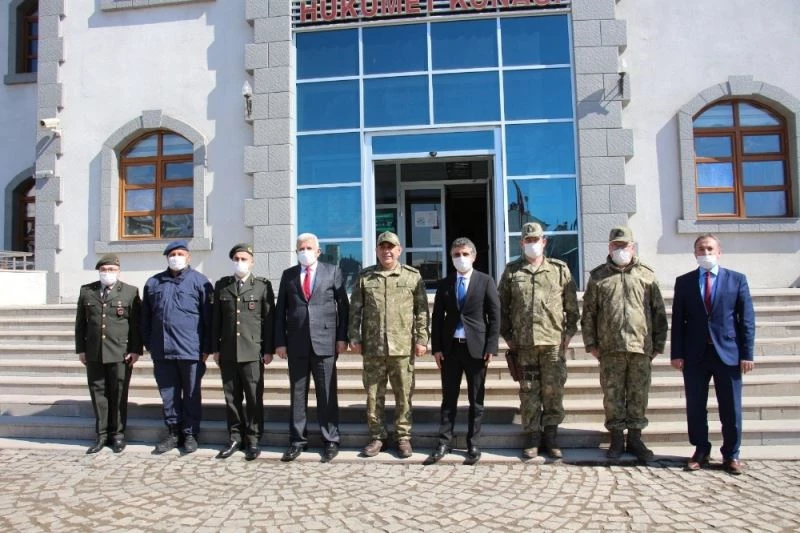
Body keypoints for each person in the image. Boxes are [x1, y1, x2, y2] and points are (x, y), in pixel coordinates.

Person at [671, 234, 755, 475]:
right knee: (696, 405)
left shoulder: (736, 280)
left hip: (727, 353)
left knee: (730, 407)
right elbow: (678, 321)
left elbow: (746, 319)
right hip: (694, 354)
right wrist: (677, 353)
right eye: (700, 249)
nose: (705, 253)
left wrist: (747, 353)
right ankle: (700, 450)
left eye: (709, 248)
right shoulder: (684, 282)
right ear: (694, 253)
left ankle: (731, 454)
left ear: (719, 252)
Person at [581, 226, 668, 461]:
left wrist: (658, 344)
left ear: (632, 247)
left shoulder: (646, 275)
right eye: (616, 245)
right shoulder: (598, 276)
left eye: (624, 245)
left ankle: (636, 438)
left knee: (639, 394)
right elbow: (588, 313)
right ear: (609, 247)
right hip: (610, 348)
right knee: (613, 395)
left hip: (640, 347)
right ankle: (617, 438)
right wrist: (591, 344)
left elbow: (658, 312)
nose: (620, 249)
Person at [497, 222, 579, 461]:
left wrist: (568, 335)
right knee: (529, 392)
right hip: (524, 345)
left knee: (553, 391)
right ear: (521, 243)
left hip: (552, 344)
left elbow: (572, 308)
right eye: (528, 240)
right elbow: (502, 308)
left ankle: (551, 436)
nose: (532, 244)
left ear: (544, 242)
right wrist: (509, 338)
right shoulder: (512, 271)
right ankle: (532, 436)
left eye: (536, 240)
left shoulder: (559, 270)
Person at [349, 231, 429, 458]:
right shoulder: (365, 277)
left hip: (402, 347)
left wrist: (422, 339)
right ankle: (377, 437)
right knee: (374, 395)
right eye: (382, 247)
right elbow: (355, 310)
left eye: (391, 247)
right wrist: (354, 337)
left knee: (403, 394)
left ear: (399, 250)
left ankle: (403, 437)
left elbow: (421, 311)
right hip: (374, 348)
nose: (387, 251)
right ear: (376, 250)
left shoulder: (412, 277)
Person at [424, 237, 500, 466]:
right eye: (456, 255)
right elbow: (437, 318)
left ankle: (473, 443)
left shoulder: (485, 281)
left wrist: (491, 347)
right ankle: (444, 442)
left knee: (476, 399)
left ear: (474, 257)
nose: (461, 258)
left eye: (465, 254)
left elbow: (495, 316)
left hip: (475, 349)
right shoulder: (445, 284)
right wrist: (436, 348)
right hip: (450, 349)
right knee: (449, 399)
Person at [274, 233, 349, 463]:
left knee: (327, 394)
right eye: (300, 248)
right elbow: (280, 311)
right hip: (296, 343)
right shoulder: (288, 275)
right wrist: (280, 341)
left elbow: (343, 307)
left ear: (317, 251)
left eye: (308, 248)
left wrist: (342, 337)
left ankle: (331, 440)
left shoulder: (332, 271)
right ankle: (297, 441)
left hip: (325, 342)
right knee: (298, 394)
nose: (304, 251)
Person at [141, 240, 213, 454]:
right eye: (172, 254)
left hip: (191, 350)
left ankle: (190, 434)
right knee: (168, 394)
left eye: (181, 253)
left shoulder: (200, 282)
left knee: (191, 393)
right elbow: (145, 318)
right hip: (162, 350)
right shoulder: (154, 283)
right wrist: (150, 344)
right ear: (167, 257)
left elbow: (209, 319)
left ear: (189, 257)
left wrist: (207, 348)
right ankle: (173, 432)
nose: (176, 257)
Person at [211, 243, 275, 461]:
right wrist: (215, 349)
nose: (240, 262)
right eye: (237, 259)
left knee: (254, 397)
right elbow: (216, 321)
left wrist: (268, 350)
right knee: (232, 398)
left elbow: (269, 320)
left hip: (253, 351)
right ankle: (235, 437)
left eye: (244, 259)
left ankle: (254, 438)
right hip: (228, 352)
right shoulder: (222, 286)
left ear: (252, 261)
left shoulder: (262, 286)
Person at [75, 254, 143, 454]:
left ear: (118, 271)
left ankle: (118, 434)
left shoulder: (130, 292)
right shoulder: (88, 291)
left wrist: (135, 350)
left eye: (112, 269)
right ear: (99, 271)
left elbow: (135, 325)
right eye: (104, 270)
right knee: (98, 394)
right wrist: (81, 349)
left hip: (120, 353)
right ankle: (102, 435)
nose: (108, 273)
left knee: (119, 394)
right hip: (94, 352)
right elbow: (81, 324)